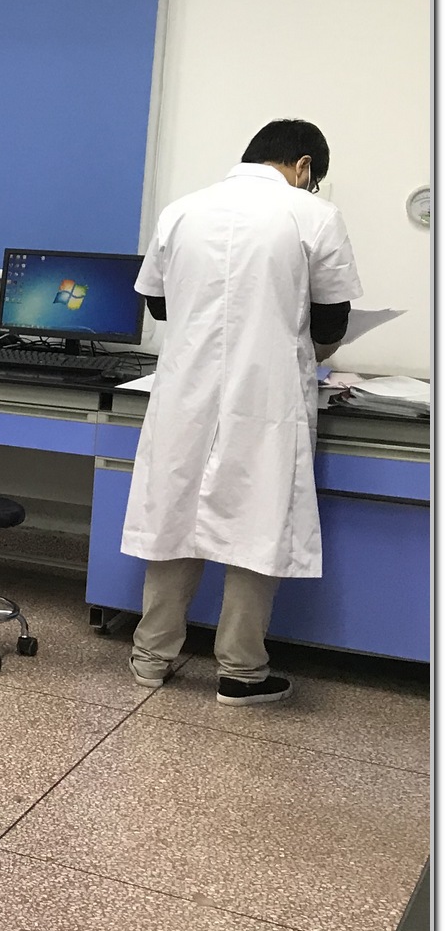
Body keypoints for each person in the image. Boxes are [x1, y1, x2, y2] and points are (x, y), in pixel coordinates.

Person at [121, 118, 361, 705]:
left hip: (186, 392)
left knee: (175, 514)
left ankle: (150, 657)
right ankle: (242, 671)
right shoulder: (314, 215)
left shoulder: (182, 210)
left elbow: (157, 305)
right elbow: (332, 321)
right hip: (267, 396)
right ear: (303, 167)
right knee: (260, 523)